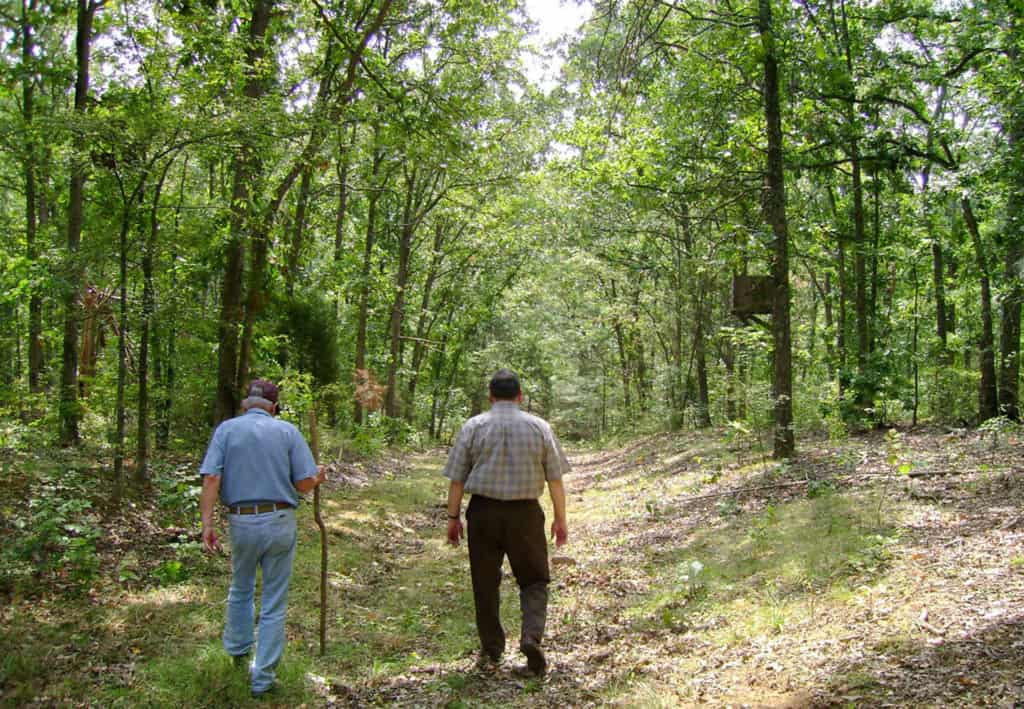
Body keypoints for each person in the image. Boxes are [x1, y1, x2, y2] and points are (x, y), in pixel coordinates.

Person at [200, 379, 327, 698]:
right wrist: (318, 477)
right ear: (274, 407)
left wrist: (206, 524)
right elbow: (302, 484)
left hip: (241, 521)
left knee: (240, 587)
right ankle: (263, 678)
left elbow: (212, 477)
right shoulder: (287, 432)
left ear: (247, 405)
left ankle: (238, 652)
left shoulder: (226, 430)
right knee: (273, 598)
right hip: (280, 520)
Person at [443, 368, 570, 677]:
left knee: (484, 582)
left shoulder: (473, 426)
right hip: (525, 514)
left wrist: (453, 517)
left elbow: (457, 479)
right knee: (534, 579)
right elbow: (555, 479)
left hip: (483, 514)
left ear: (490, 396)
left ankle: (492, 647)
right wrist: (560, 519)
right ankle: (530, 637)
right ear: (520, 396)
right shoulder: (539, 427)